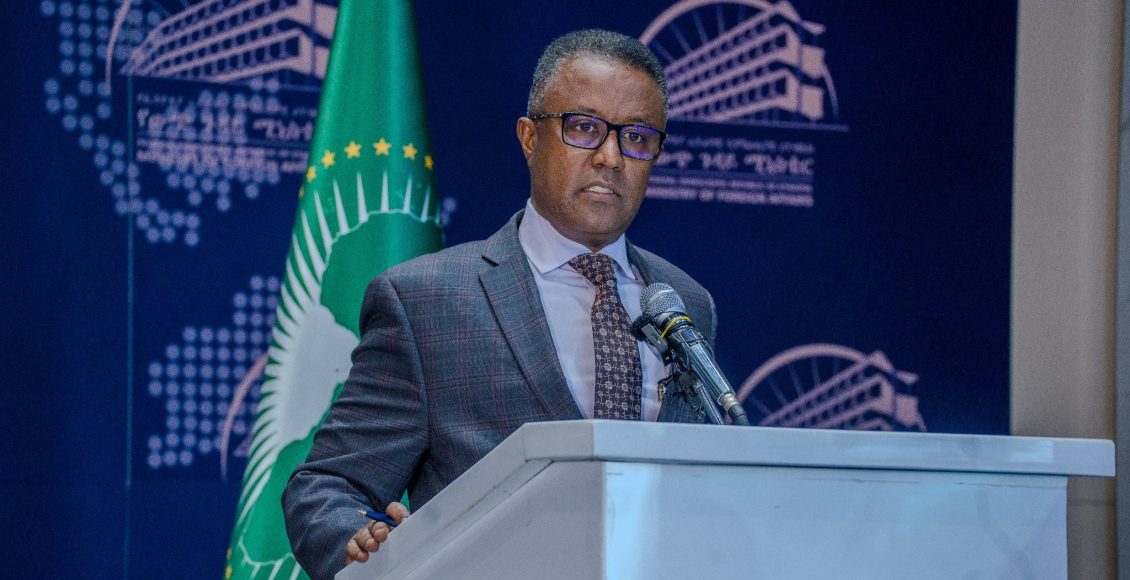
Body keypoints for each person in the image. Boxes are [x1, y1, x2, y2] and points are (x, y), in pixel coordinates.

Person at [282, 29, 717, 580]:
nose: (611, 157)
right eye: (585, 128)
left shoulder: (685, 304)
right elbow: (326, 486)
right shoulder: (426, 301)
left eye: (636, 137)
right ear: (530, 138)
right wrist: (361, 543)